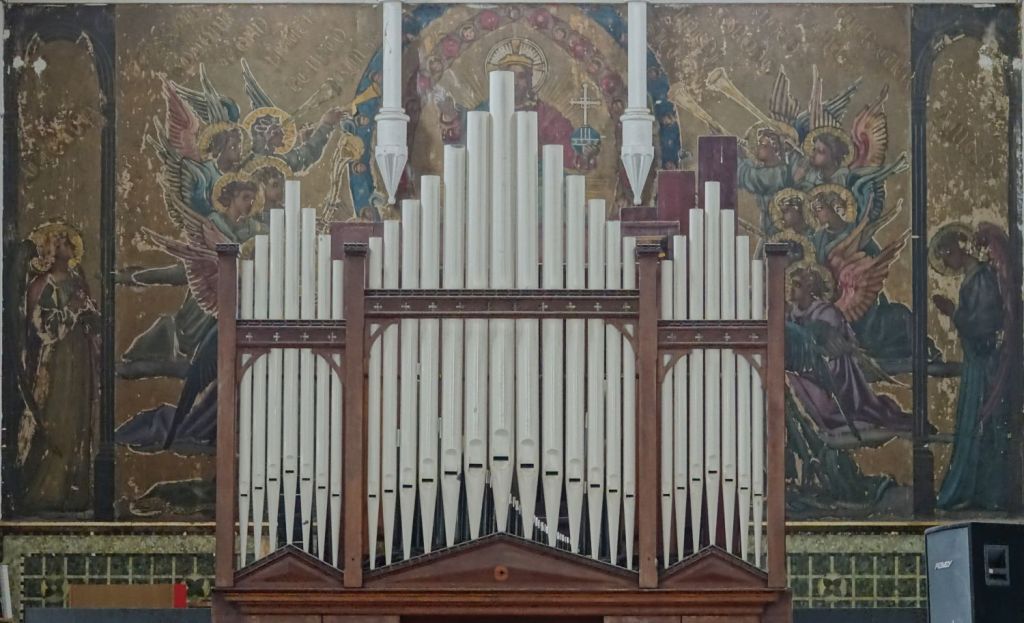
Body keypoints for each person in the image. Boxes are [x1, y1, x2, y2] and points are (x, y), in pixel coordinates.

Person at [18, 223, 100, 514]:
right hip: (56, 363)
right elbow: (43, 329)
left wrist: (90, 315)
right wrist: (74, 309)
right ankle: (48, 492)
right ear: (50, 249)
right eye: (60, 241)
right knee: (57, 421)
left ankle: (75, 493)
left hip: (79, 359)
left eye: (66, 241)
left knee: (78, 422)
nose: (66, 245)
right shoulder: (42, 285)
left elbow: (90, 314)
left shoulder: (77, 280)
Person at [785, 263, 912, 444]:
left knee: (819, 402)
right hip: (808, 368)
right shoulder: (790, 314)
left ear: (809, 288)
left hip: (834, 373)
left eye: (797, 284)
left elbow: (830, 349)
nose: (790, 289)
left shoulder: (827, 312)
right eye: (790, 284)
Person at [932, 225, 1010, 510]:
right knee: (974, 424)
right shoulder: (973, 277)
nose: (946, 261)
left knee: (982, 425)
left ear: (957, 248)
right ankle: (975, 492)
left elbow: (985, 324)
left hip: (985, 363)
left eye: (946, 254)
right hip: (975, 361)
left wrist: (953, 312)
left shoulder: (982, 277)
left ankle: (986, 494)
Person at [736, 127, 805, 234]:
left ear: (774, 147)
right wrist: (742, 156)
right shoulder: (771, 171)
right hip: (770, 230)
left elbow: (749, 177)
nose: (758, 147)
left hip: (782, 232)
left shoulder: (779, 173)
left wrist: (736, 155)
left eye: (762, 144)